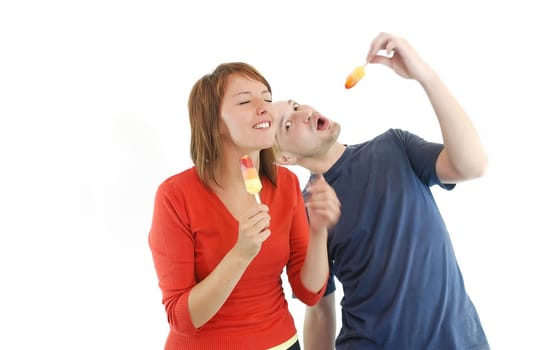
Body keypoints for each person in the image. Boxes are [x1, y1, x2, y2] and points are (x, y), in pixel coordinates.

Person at [273, 32, 490, 350]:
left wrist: (424, 75)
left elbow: (473, 166)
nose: (301, 112)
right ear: (284, 158)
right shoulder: (305, 212)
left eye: (294, 105)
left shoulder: (395, 146)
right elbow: (319, 310)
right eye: (287, 125)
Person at [148, 62, 341, 350]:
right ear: (215, 122)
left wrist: (318, 232)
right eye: (246, 101)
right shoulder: (175, 196)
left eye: (266, 97)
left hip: (283, 343)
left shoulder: (285, 185)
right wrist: (241, 254)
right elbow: (182, 319)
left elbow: (309, 293)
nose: (265, 107)